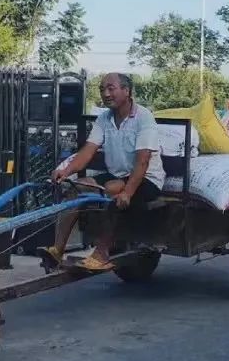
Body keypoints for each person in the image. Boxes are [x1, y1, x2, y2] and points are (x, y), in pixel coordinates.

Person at [44, 73, 164, 271]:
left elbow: (143, 161)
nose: (105, 93)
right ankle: (57, 249)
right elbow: (87, 151)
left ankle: (101, 253)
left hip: (145, 178)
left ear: (126, 91)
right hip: (117, 174)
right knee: (76, 189)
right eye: (102, 89)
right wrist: (65, 171)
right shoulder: (104, 119)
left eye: (111, 88)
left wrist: (127, 193)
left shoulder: (144, 118)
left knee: (110, 190)